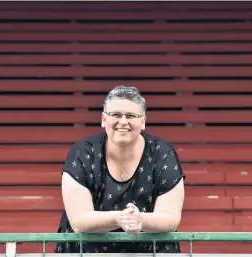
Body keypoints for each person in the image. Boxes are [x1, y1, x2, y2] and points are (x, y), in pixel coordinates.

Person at [55, 85, 186, 253]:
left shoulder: (162, 153)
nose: (123, 122)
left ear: (143, 121)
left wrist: (140, 220)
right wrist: (120, 218)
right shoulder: (82, 152)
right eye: (116, 115)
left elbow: (170, 218)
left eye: (131, 116)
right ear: (103, 119)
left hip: (148, 251)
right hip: (86, 251)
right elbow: (79, 220)